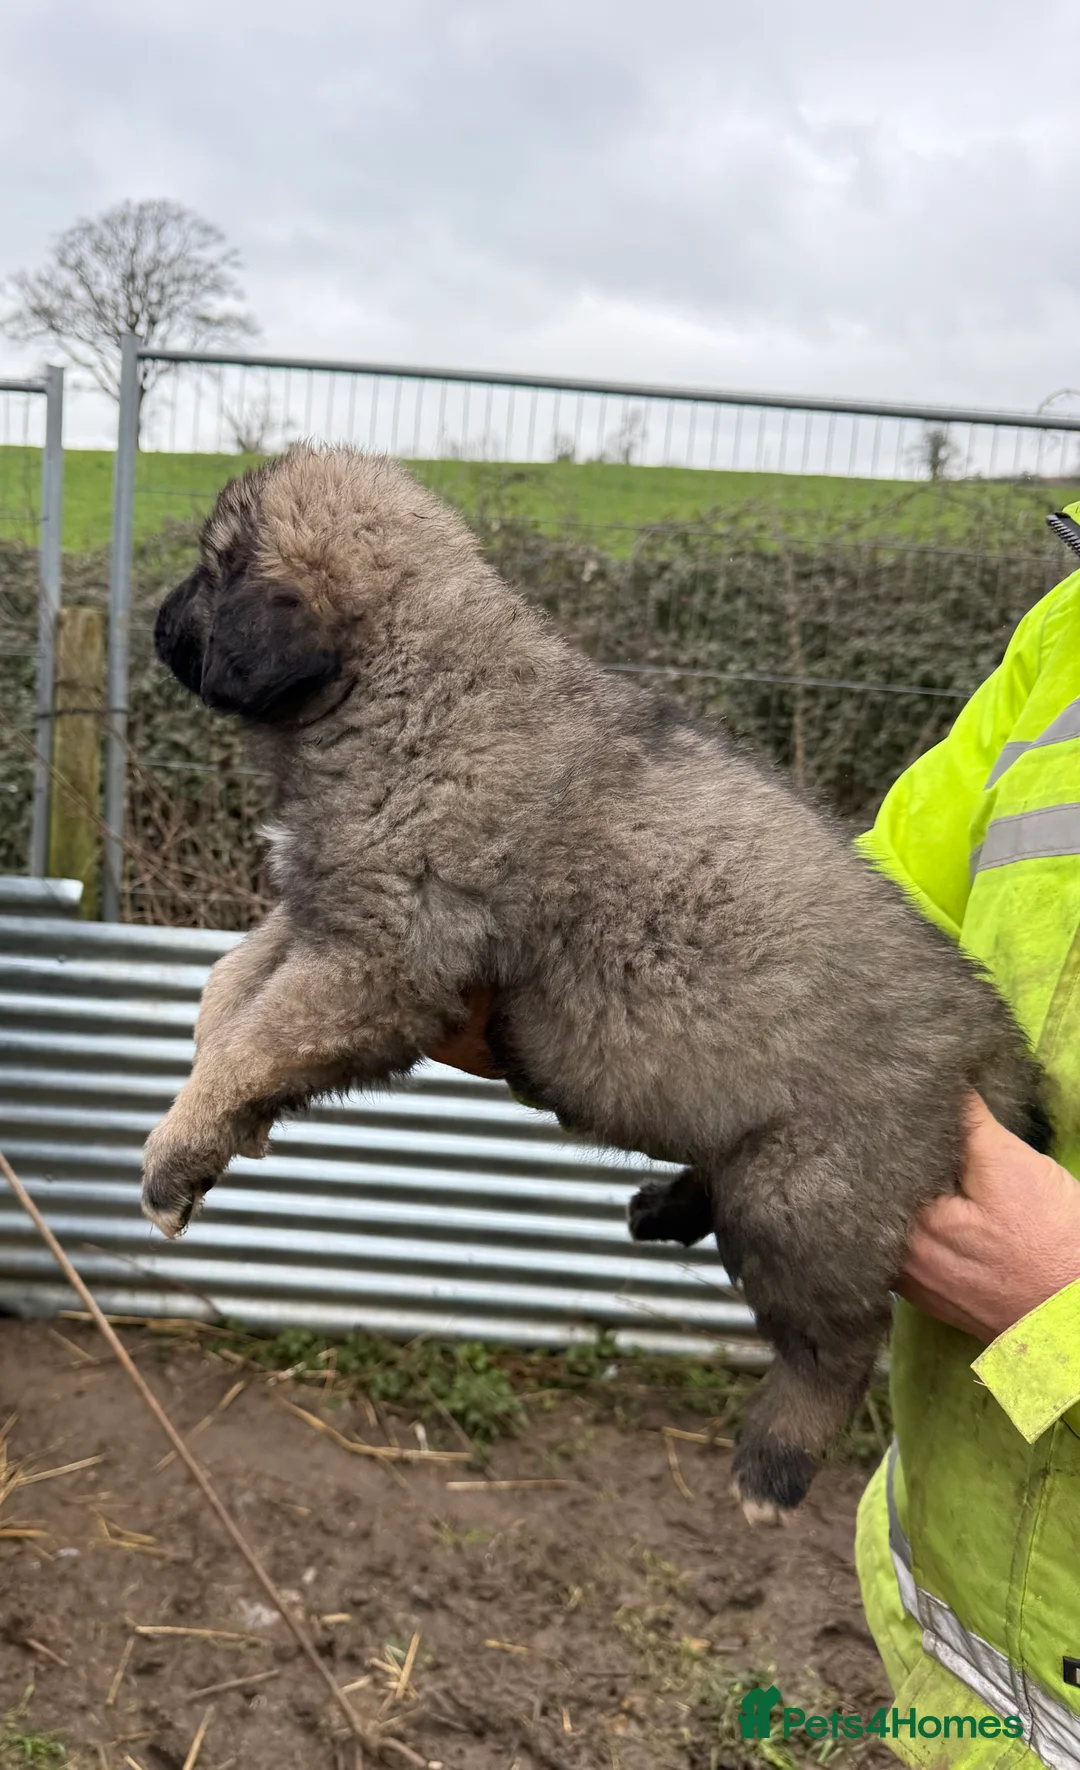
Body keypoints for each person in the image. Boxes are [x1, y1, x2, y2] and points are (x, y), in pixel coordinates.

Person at [424, 505, 1080, 1768]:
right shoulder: (1068, 634)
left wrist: (1063, 1305)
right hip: (971, 1684)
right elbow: (860, 928)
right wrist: (569, 988)